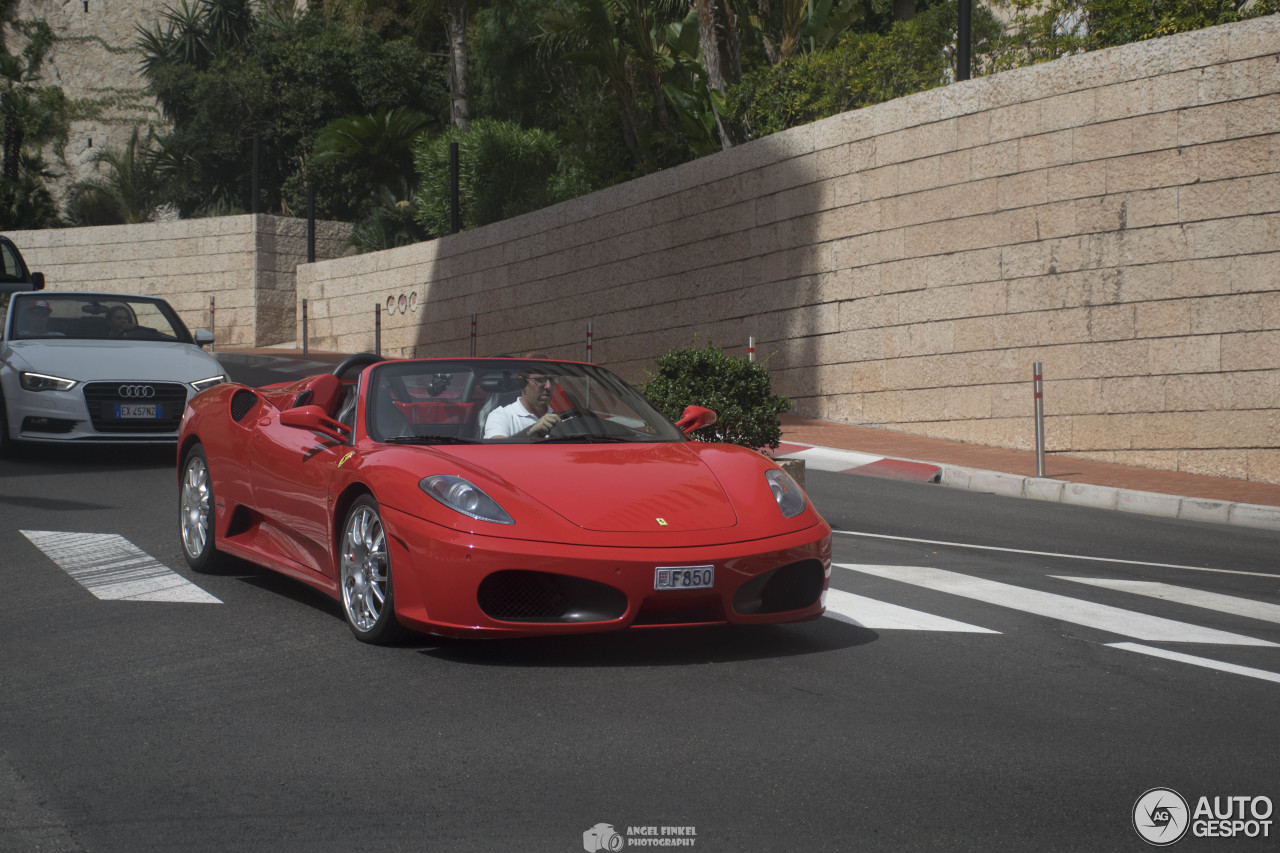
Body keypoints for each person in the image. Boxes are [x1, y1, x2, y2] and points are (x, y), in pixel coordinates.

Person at [484, 366, 562, 439]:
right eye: (539, 380)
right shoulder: (501, 416)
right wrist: (530, 432)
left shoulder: (561, 417)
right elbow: (496, 450)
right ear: (522, 383)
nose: (548, 386)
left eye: (551, 379)